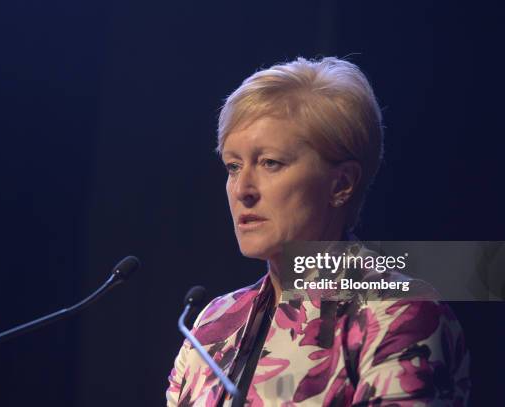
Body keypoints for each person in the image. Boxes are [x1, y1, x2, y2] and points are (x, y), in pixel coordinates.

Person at [166, 57, 470, 406]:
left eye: (270, 163)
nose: (242, 189)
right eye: (233, 166)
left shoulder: (398, 313)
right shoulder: (212, 324)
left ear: (341, 184)